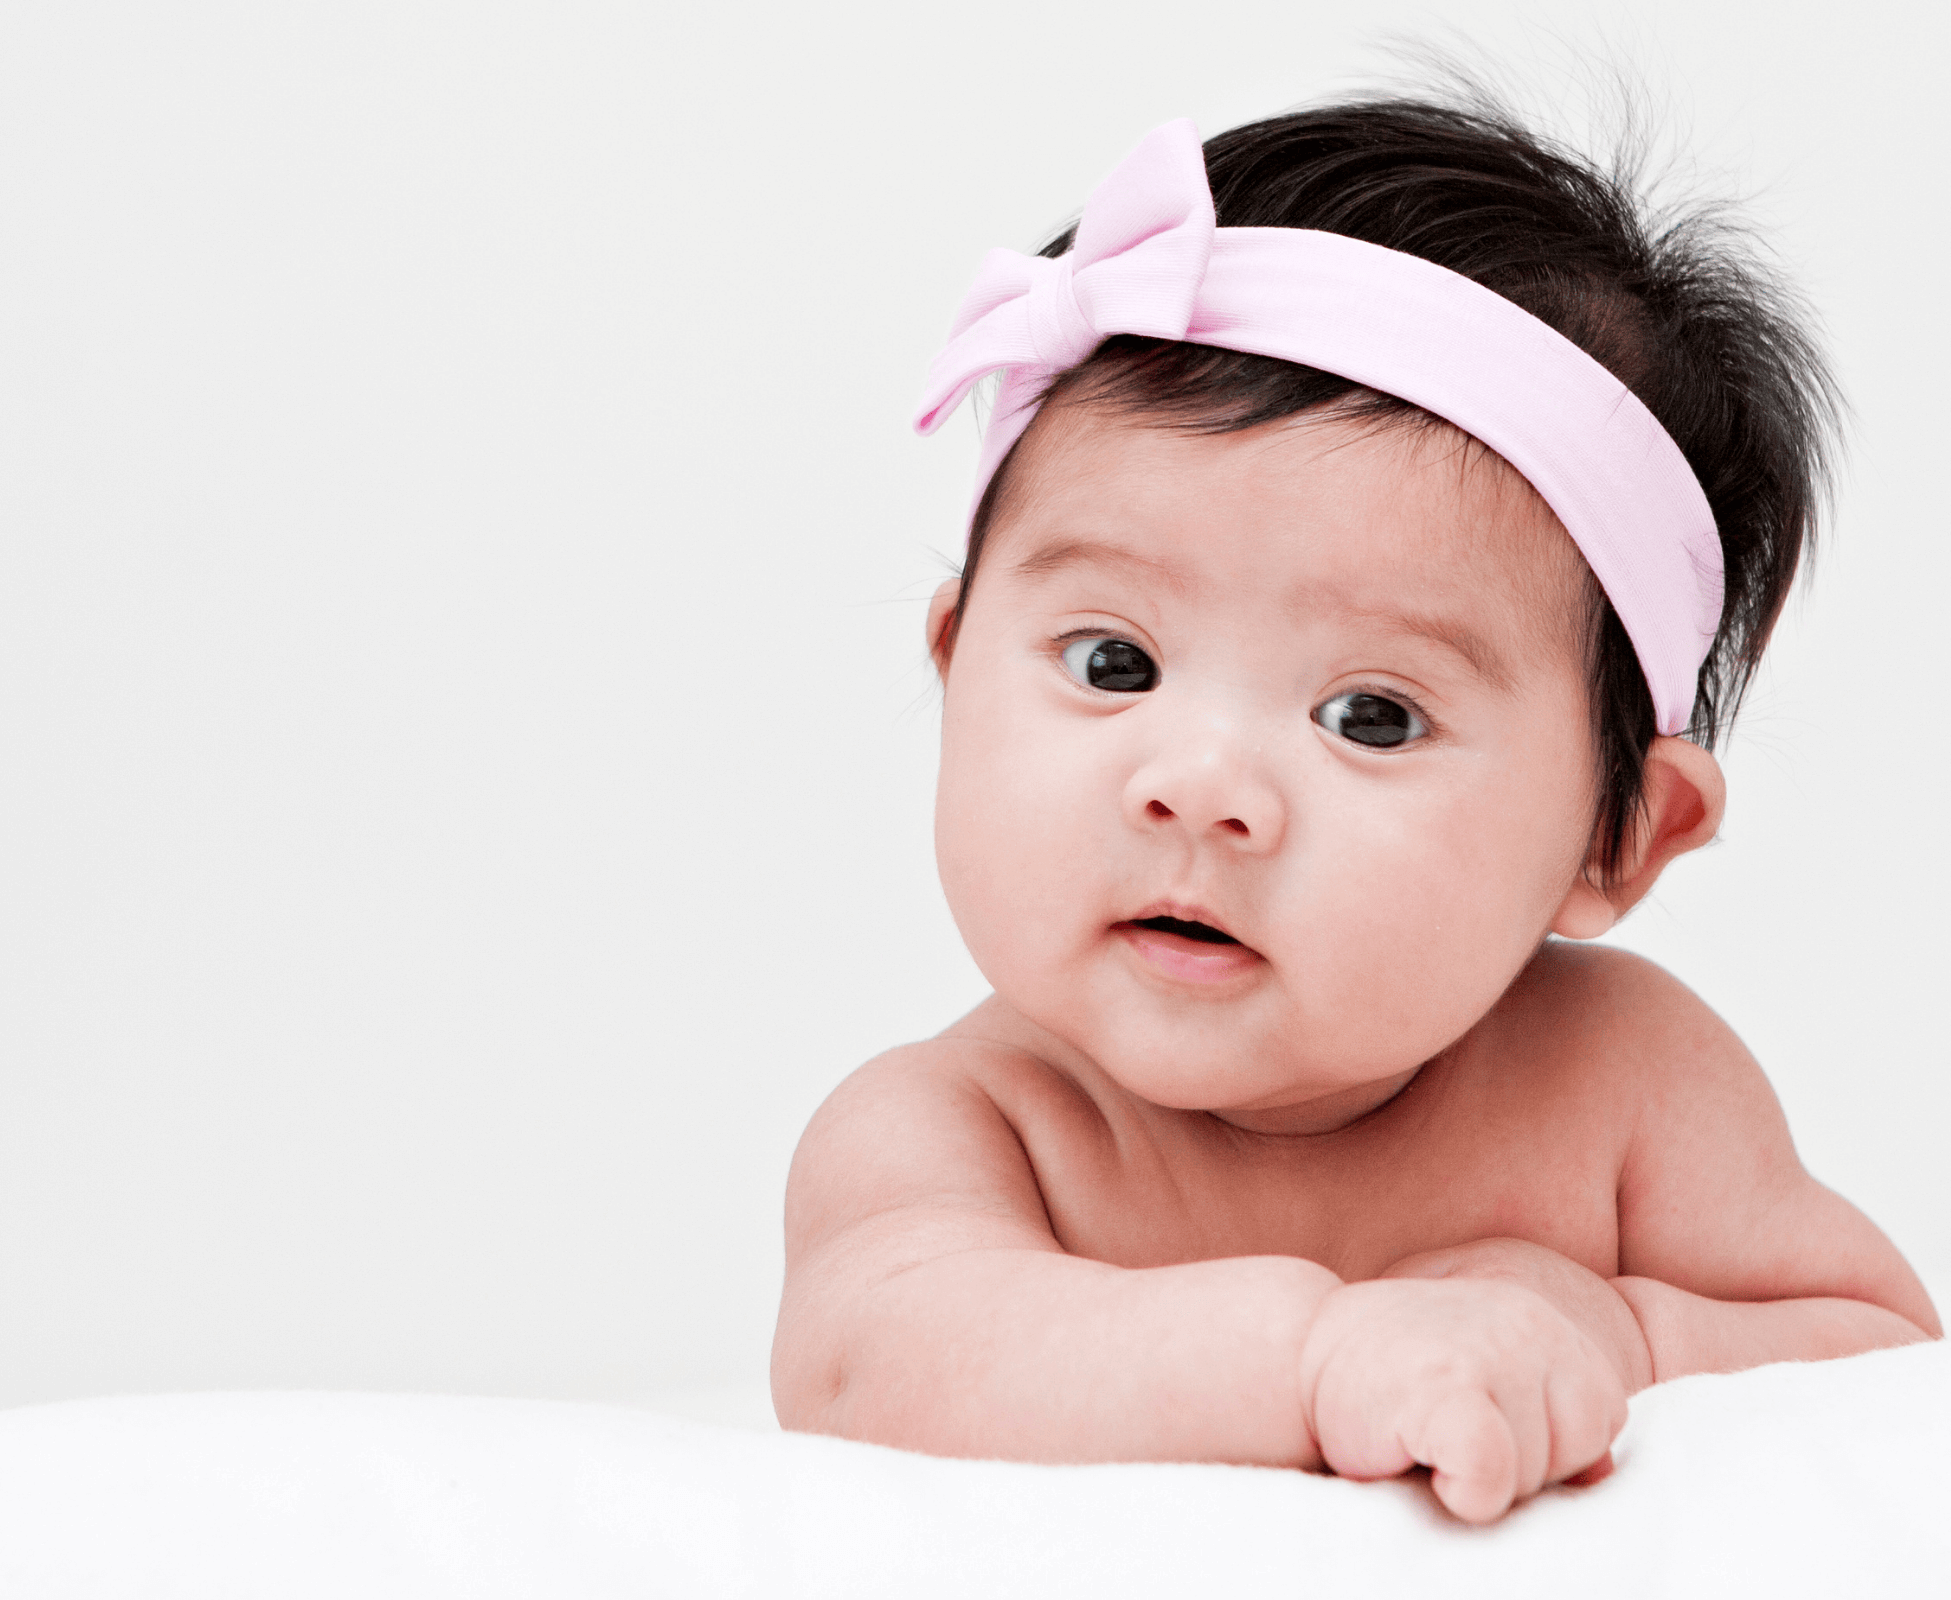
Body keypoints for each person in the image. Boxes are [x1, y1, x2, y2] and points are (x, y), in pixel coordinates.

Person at [768, 95, 1939, 1524]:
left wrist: (1615, 1330)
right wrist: (1319, 1358)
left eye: (1370, 716)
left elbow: (1887, 1371)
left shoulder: (1630, 1088)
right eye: (1113, 663)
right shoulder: (964, 1127)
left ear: (1614, 838)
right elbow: (868, 1370)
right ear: (957, 666)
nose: (1197, 785)